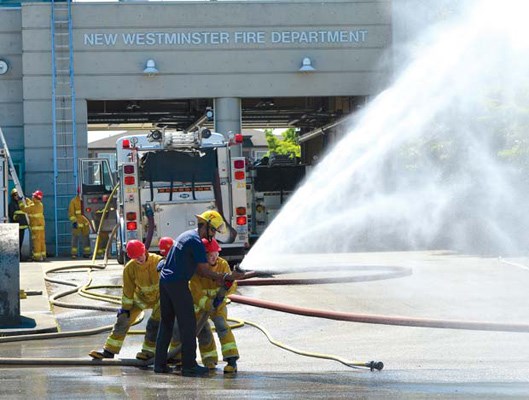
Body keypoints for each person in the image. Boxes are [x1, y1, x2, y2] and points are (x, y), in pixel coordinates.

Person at [153, 210, 243, 376]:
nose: (214, 234)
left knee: (166, 323)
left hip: (165, 282)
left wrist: (222, 276)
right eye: (213, 230)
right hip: (177, 284)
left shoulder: (186, 235)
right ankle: (189, 366)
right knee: (188, 325)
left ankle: (159, 365)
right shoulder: (196, 243)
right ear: (207, 226)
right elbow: (204, 272)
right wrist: (225, 276)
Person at [169, 238, 239, 373]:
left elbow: (232, 285)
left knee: (222, 326)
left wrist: (229, 286)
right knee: (200, 330)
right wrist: (208, 304)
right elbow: (196, 292)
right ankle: (190, 358)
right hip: (201, 306)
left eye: (215, 255)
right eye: (210, 255)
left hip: (218, 304)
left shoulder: (223, 264)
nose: (214, 258)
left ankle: (231, 360)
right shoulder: (197, 268)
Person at [89, 239, 167, 361]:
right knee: (122, 320)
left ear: (144, 251)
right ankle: (109, 350)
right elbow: (128, 291)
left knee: (153, 323)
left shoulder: (157, 261)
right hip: (141, 299)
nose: (139, 259)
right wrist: (125, 310)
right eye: (136, 257)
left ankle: (148, 352)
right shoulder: (129, 268)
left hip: (160, 299)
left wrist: (165, 262)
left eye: (140, 255)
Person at [19, 190, 46, 262]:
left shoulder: (33, 206)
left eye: (33, 196)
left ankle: (37, 257)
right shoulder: (40, 204)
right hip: (41, 227)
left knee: (36, 242)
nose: (32, 196)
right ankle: (43, 256)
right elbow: (32, 204)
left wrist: (20, 202)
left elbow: (24, 209)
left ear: (35, 197)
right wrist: (26, 199)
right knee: (41, 241)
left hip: (35, 227)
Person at [68, 190, 91, 259]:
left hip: (85, 223)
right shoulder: (73, 201)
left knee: (86, 239)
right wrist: (74, 221)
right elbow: (71, 213)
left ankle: (87, 253)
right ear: (78, 193)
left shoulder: (86, 200)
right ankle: (74, 254)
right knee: (75, 238)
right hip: (77, 223)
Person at [8, 188, 29, 258]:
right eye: (15, 195)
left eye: (18, 195)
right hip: (16, 227)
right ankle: (18, 257)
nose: (17, 196)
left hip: (22, 226)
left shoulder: (22, 203)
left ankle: (20, 256)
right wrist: (16, 217)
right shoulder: (11, 204)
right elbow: (11, 215)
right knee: (16, 243)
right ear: (13, 196)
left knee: (20, 243)